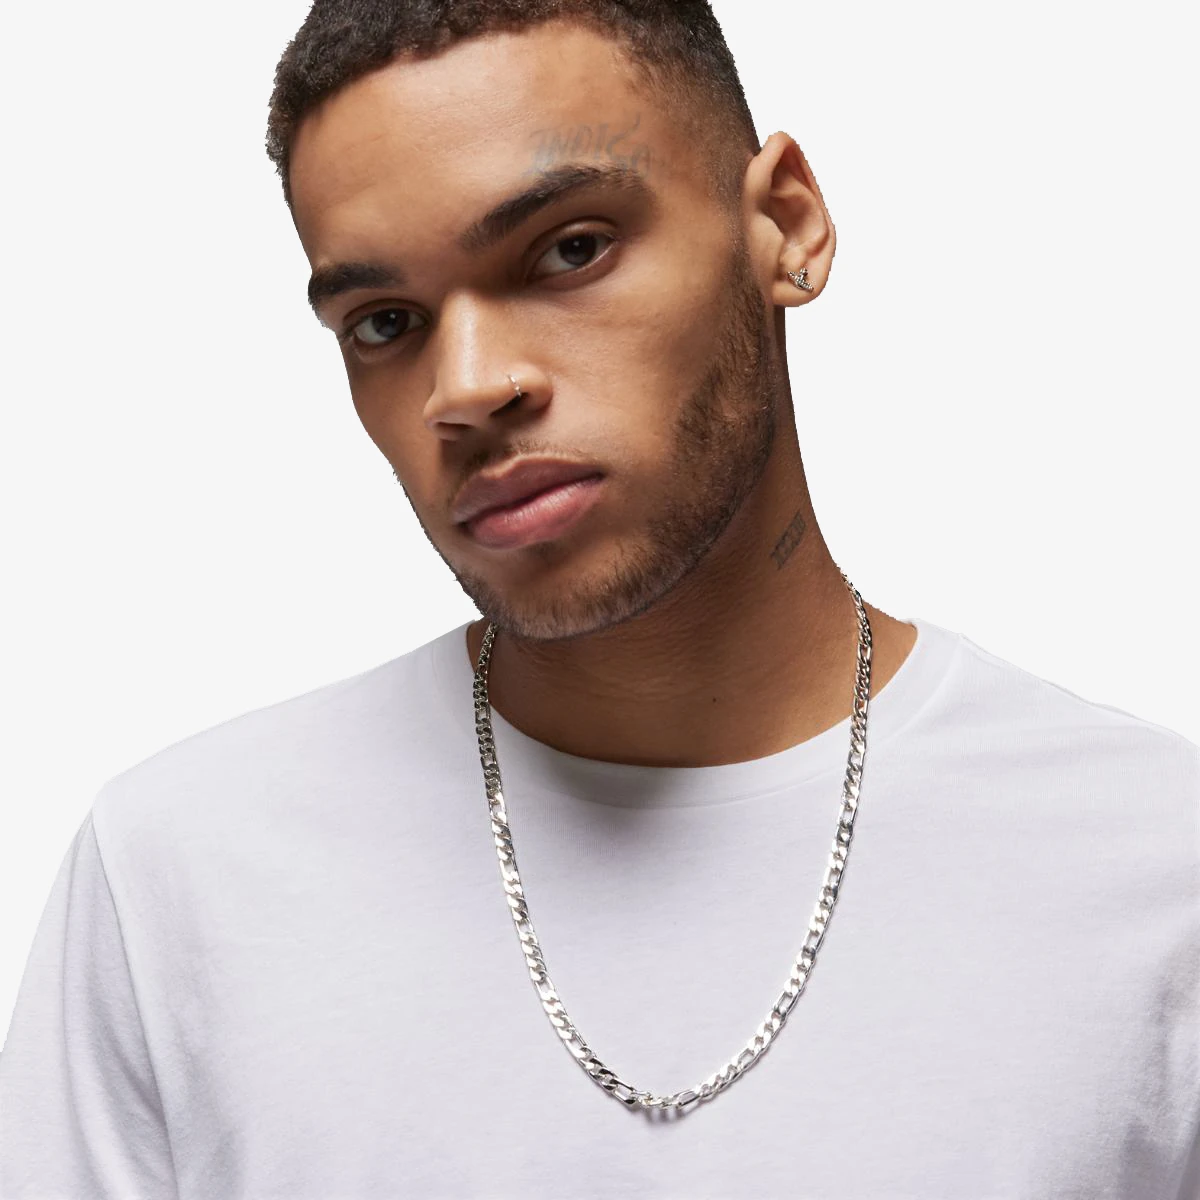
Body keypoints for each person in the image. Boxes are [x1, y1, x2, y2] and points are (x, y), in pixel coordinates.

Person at [1, 1, 1196, 1196]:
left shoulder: (1155, 860)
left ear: (785, 224)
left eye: (568, 250)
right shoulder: (182, 875)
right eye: (385, 323)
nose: (466, 389)